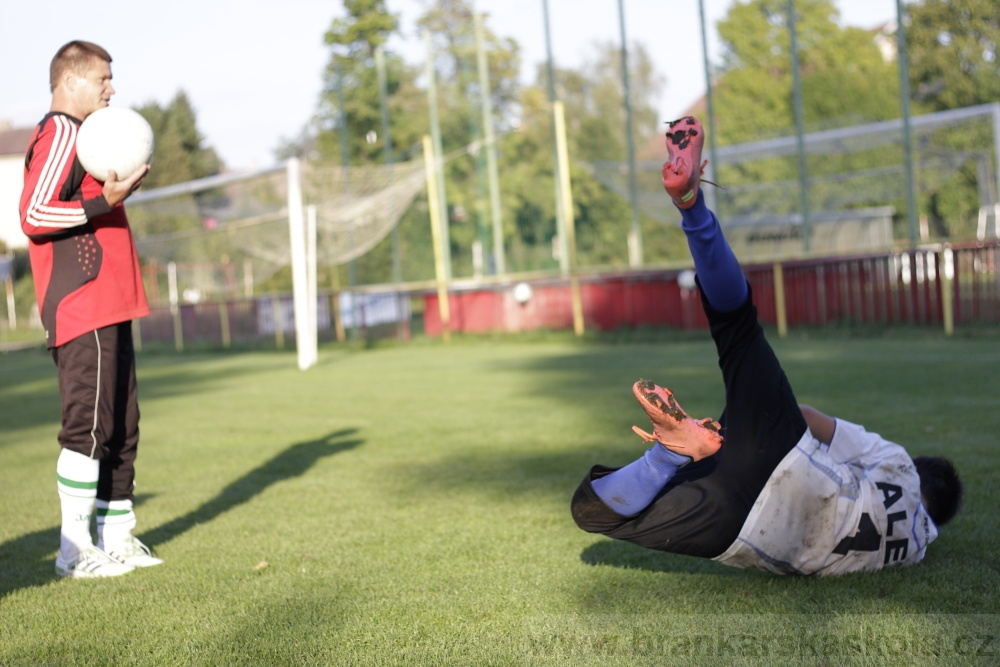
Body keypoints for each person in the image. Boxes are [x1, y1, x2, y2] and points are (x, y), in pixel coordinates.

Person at [570, 116, 963, 576]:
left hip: (793, 464)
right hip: (745, 531)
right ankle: (668, 456)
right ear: (937, 520)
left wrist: (750, 420)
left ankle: (691, 205)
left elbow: (814, 420)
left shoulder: (900, 468)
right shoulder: (913, 550)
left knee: (736, 325)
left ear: (920, 474)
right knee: (592, 511)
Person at [20, 40, 161, 578]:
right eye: (102, 79)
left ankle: (118, 539)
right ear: (70, 82)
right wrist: (106, 200)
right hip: (83, 305)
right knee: (88, 427)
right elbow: (33, 214)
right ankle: (74, 551)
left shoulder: (93, 138)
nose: (112, 88)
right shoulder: (60, 132)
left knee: (122, 426)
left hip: (112, 302)